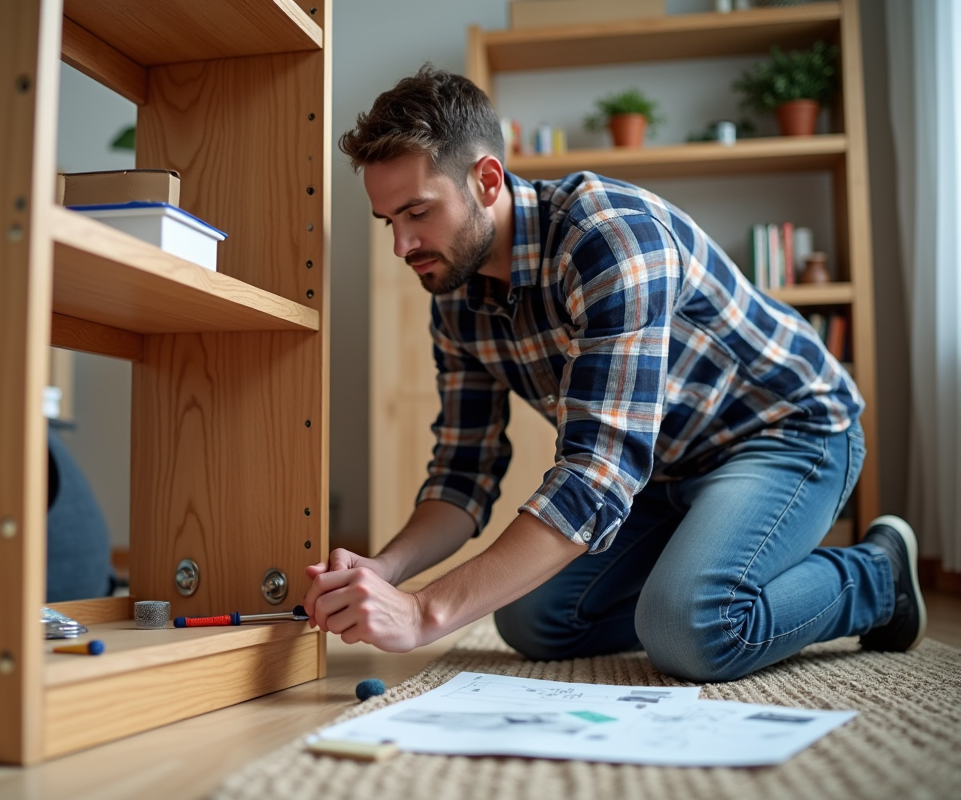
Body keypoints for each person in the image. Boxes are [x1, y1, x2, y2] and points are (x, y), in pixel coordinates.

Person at [301, 66, 926, 682]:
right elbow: (462, 476)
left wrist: (422, 612)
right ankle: (704, 569)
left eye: (417, 213)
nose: (401, 246)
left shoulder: (608, 237)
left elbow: (595, 479)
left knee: (691, 631)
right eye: (390, 222)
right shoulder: (456, 300)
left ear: (486, 180)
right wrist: (386, 570)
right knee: (533, 621)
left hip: (785, 432)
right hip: (661, 466)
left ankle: (879, 576)